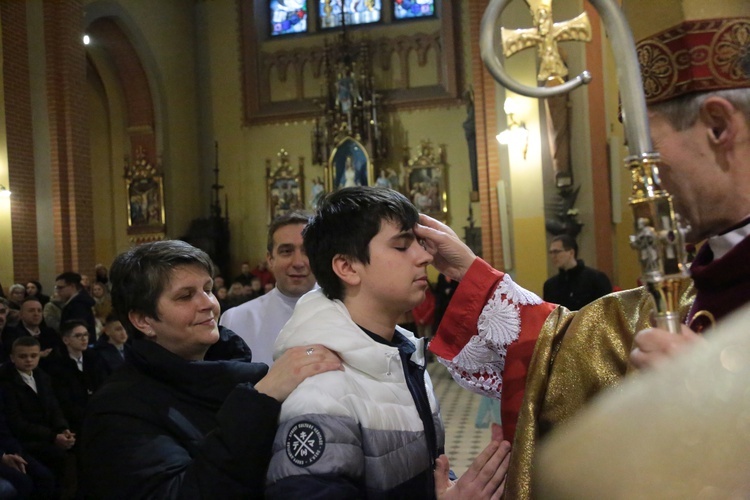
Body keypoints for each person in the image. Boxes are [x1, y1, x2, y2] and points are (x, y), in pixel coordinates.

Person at [413, 5, 750, 497]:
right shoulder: (691, 291)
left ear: (718, 126)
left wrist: (721, 407)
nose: (645, 178)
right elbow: (567, 349)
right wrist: (472, 276)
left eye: (648, 151)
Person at [266, 187, 510, 499]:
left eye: (420, 244)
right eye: (402, 246)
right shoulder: (322, 391)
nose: (425, 257)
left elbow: (425, 472)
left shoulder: (399, 355)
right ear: (348, 267)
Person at [80, 239, 341, 498]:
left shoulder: (234, 372)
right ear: (143, 320)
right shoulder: (118, 410)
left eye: (208, 289)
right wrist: (261, 400)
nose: (209, 304)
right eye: (185, 296)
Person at [220, 211, 317, 367]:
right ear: (270, 259)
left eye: (308, 251)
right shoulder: (237, 319)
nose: (298, 263)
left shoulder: (348, 313)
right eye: (286, 251)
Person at [0, 336, 75, 485]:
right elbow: (17, 423)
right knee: (49, 472)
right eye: (23, 356)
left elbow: (54, 407)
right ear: (12, 358)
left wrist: (63, 429)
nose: (29, 360)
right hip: (25, 441)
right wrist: (53, 436)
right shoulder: (6, 383)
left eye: (33, 356)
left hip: (44, 436)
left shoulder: (42, 377)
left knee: (72, 458)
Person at [542, 234, 612, 310]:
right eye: (551, 252)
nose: (553, 256)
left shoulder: (596, 278)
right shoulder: (550, 285)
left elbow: (607, 310)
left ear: (571, 252)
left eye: (556, 252)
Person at [55, 272, 96, 343]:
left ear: (72, 286)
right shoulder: (77, 302)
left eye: (60, 288)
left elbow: (77, 331)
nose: (57, 291)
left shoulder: (78, 305)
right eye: (56, 288)